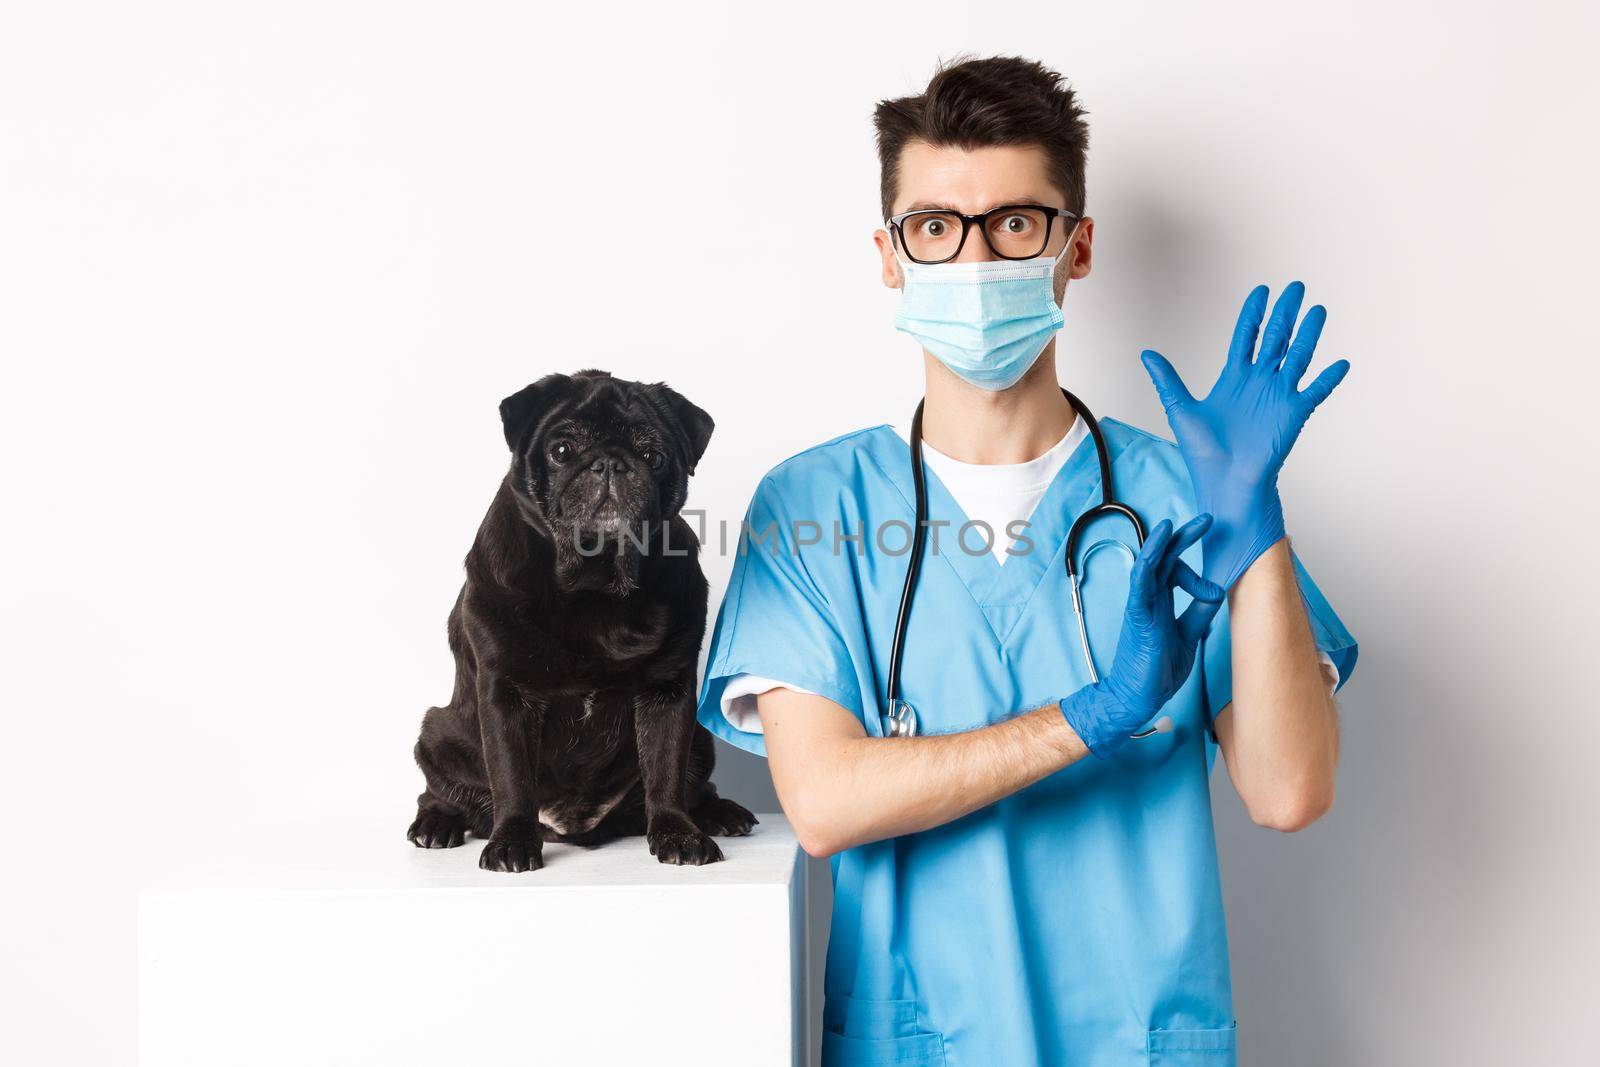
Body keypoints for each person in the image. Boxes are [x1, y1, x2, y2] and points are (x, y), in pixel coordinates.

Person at [696, 55, 1356, 1067]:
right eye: (934, 226)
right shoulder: (813, 507)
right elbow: (823, 803)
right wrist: (1090, 714)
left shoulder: (1188, 493)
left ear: (1075, 245)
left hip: (1137, 1039)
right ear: (889, 254)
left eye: (1013, 223)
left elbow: (1287, 790)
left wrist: (1255, 526)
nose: (972, 260)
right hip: (922, 1043)